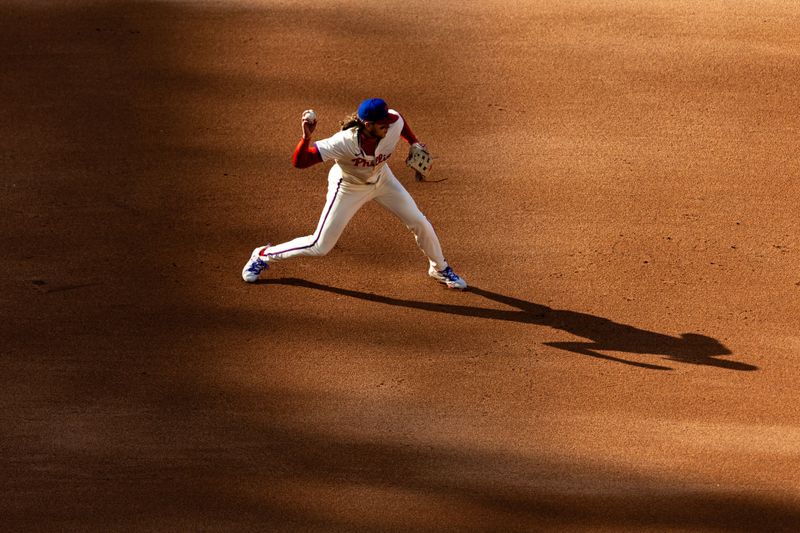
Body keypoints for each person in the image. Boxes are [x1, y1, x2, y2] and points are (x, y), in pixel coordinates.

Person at [241, 97, 467, 290]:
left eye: (387, 123)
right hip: (348, 187)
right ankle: (263, 255)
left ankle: (440, 269)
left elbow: (400, 121)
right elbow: (299, 162)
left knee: (419, 221)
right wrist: (306, 138)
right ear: (367, 125)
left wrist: (414, 142)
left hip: (382, 179)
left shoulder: (392, 122)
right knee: (320, 245)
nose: (388, 128)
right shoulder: (343, 142)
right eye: (382, 125)